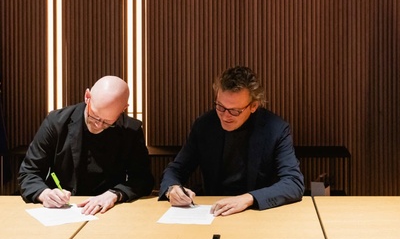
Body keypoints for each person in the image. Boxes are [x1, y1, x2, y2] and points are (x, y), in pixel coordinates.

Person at [159, 66, 304, 216]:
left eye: (234, 111)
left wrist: (249, 198)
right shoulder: (205, 125)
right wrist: (172, 189)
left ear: (253, 106)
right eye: (220, 107)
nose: (225, 116)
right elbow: (176, 169)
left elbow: (293, 183)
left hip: (257, 213)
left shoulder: (275, 129)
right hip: (214, 211)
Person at [19, 75, 154, 215]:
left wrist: (115, 194)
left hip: (109, 211)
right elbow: (29, 173)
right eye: (94, 116)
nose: (98, 125)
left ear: (123, 109)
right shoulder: (56, 123)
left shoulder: (130, 130)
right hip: (62, 209)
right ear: (87, 96)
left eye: (108, 122)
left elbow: (143, 179)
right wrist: (44, 193)